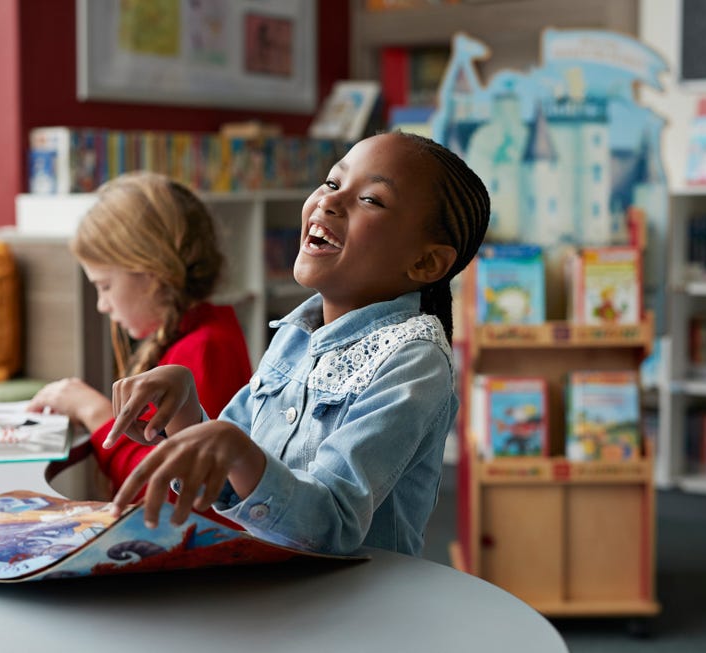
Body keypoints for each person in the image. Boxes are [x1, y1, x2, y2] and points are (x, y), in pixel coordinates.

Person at [105, 132, 490, 556]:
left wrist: (234, 449)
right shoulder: (296, 332)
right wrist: (184, 416)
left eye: (372, 200)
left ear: (425, 262)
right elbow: (225, 477)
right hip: (278, 592)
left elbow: (333, 525)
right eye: (332, 182)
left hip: (365, 608)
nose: (330, 201)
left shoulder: (414, 361)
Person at [27, 171, 252, 499]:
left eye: (105, 286)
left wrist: (96, 413)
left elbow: (169, 493)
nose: (102, 305)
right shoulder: (193, 336)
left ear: (152, 274)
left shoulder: (204, 349)